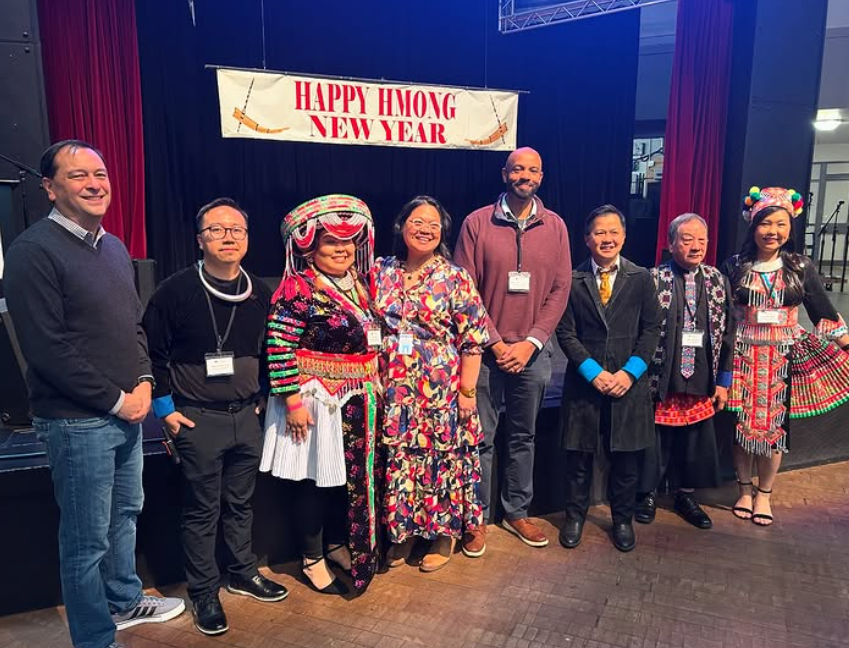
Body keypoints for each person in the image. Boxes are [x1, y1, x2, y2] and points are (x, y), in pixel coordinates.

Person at [3, 140, 184, 648]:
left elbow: (133, 326)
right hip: (77, 421)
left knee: (124, 516)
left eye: (99, 174)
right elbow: (47, 349)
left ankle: (124, 601)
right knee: (86, 540)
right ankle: (94, 638)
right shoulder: (32, 252)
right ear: (50, 187)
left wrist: (145, 381)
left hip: (127, 412)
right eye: (78, 175)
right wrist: (117, 400)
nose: (94, 183)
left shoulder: (114, 247)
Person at [142, 198, 287, 635]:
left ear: (247, 238)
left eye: (237, 230)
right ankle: (204, 591)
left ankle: (242, 572)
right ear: (200, 239)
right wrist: (165, 410)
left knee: (241, 503)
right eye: (217, 230)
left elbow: (272, 350)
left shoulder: (260, 292)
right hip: (196, 418)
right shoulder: (175, 291)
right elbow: (152, 352)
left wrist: (264, 394)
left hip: (246, 418)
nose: (228, 237)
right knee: (202, 510)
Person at [260, 194, 381, 595]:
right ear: (310, 248)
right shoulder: (297, 289)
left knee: (343, 479)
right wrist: (292, 402)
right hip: (314, 399)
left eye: (347, 241)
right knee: (314, 481)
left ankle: (336, 545)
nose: (342, 249)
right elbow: (279, 348)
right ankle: (311, 558)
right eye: (331, 241)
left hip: (356, 395)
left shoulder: (360, 285)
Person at [454, 147, 572, 555]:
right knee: (480, 438)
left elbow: (560, 289)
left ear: (541, 176)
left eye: (533, 170)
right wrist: (496, 342)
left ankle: (516, 512)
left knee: (524, 436)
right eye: (518, 169)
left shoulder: (556, 226)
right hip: (484, 355)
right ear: (505, 174)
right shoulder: (477, 223)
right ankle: (477, 519)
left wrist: (531, 342)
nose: (525, 175)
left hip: (533, 355)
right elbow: (465, 289)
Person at [372, 196, 488, 572]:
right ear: (401, 226)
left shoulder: (455, 277)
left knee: (442, 461)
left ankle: (443, 535)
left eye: (433, 224)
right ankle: (405, 533)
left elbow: (473, 340)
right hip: (395, 388)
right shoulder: (380, 270)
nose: (425, 230)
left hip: (440, 388)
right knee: (403, 460)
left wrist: (467, 392)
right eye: (417, 222)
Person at [722, 187, 849, 526]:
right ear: (753, 226)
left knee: (776, 427)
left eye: (780, 224)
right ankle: (744, 490)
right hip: (743, 356)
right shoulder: (735, 266)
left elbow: (823, 312)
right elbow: (723, 314)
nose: (772, 231)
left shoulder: (800, 267)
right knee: (742, 427)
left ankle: (764, 493)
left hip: (784, 356)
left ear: (790, 228)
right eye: (765, 223)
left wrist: (845, 344)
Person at [556, 205, 661, 552]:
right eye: (599, 232)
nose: (607, 238)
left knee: (626, 462)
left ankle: (622, 520)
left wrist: (630, 373)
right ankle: (574, 517)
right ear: (587, 238)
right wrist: (593, 372)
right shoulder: (572, 279)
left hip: (628, 385)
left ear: (624, 237)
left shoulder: (641, 278)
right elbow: (565, 332)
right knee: (578, 459)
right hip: (584, 384)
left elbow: (652, 329)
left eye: (614, 231)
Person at [635, 213, 734, 530]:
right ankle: (647, 494)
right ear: (670, 243)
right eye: (687, 239)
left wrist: (724, 381)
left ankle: (686, 496)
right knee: (656, 440)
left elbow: (729, 333)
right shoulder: (653, 278)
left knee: (694, 441)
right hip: (661, 376)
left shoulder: (717, 279)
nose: (696, 246)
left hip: (702, 374)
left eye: (702, 240)